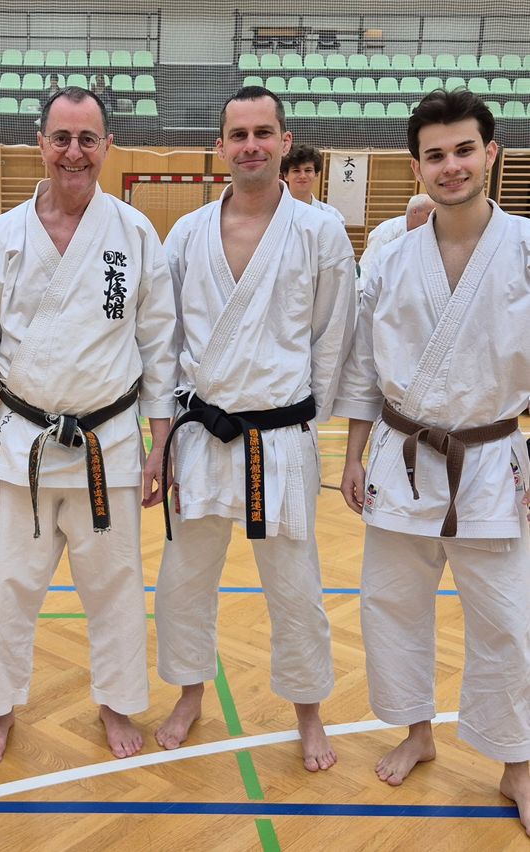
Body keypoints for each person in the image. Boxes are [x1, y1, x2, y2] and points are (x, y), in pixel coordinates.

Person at [0, 86, 177, 765]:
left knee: (114, 586)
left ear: (107, 146)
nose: (74, 152)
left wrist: (160, 446)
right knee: (10, 587)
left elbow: (159, 346)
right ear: (40, 144)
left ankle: (116, 702)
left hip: (110, 445)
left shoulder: (133, 233)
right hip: (25, 448)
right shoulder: (3, 236)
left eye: (87, 139)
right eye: (62, 138)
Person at [335, 88, 530, 836]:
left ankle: (516, 762)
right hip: (401, 456)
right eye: (436, 155)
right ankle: (416, 731)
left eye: (464, 150)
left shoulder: (523, 248)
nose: (452, 166)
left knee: (508, 620)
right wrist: (353, 456)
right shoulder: (389, 258)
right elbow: (362, 367)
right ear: (416, 167)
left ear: (491, 153)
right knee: (392, 607)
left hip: (491, 458)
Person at [153, 86, 356, 771]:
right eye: (238, 134)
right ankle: (189, 693)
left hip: (280, 436)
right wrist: (163, 438)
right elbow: (165, 343)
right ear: (220, 146)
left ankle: (308, 712)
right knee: (183, 580)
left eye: (262, 132)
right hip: (200, 433)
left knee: (296, 588)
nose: (250, 145)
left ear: (283, 140)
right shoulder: (186, 234)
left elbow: (332, 340)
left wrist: (303, 423)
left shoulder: (320, 233)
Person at [357, 194, 435, 291]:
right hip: (378, 288)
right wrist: (364, 294)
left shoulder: (428, 233)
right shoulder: (387, 231)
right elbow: (369, 265)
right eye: (429, 214)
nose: (431, 219)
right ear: (415, 211)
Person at [280, 143, 345, 224]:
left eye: (308, 170)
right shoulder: (273, 213)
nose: (302, 176)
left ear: (316, 174)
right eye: (296, 171)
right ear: (285, 175)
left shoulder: (333, 216)